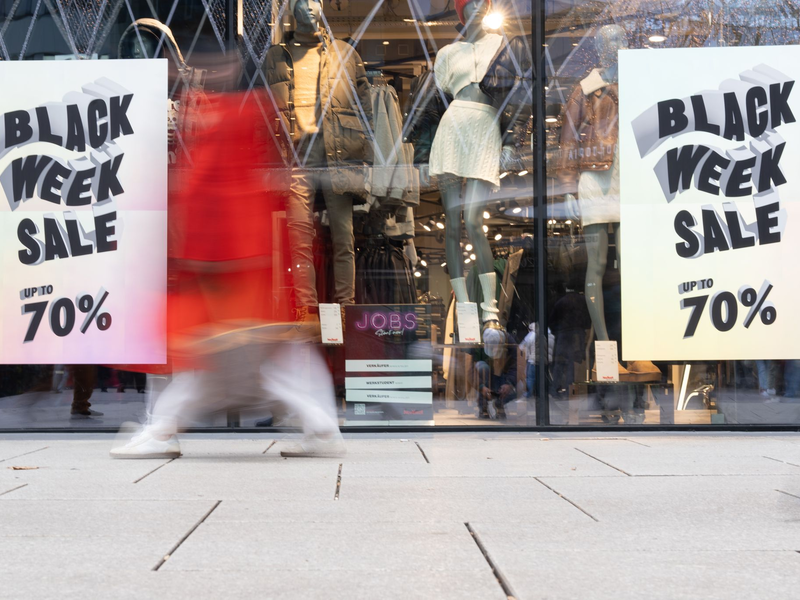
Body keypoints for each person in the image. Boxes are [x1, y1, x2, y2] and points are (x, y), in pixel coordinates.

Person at [110, 90, 344, 459]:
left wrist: (197, 259)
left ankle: (161, 429)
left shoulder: (222, 115)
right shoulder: (247, 112)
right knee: (247, 358)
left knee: (214, 355)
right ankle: (319, 424)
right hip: (239, 255)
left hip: (223, 259)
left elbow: (210, 190)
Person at [474, 328, 518, 419]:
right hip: (486, 370)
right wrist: (481, 387)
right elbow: (469, 370)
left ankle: (500, 402)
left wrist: (509, 383)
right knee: (482, 367)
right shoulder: (477, 342)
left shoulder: (510, 343)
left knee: (519, 389)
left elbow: (516, 365)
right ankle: (483, 406)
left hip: (503, 372)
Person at [519, 323, 553, 400]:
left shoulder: (531, 335)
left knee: (530, 378)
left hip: (533, 361)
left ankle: (528, 395)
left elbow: (521, 347)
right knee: (542, 378)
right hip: (546, 362)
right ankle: (542, 395)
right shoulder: (551, 336)